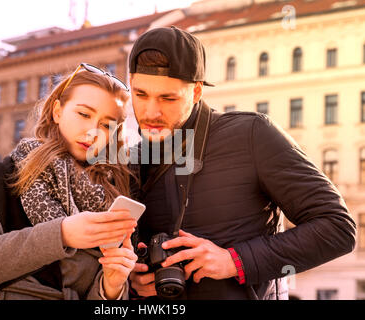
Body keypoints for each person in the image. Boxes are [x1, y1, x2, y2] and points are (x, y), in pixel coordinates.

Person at [127, 26, 356, 300]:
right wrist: (133, 281)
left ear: (197, 91)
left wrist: (234, 261)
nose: (151, 111)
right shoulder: (131, 160)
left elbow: (338, 228)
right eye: (140, 95)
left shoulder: (252, 133)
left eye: (168, 98)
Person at [0, 63, 138, 300]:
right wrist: (61, 234)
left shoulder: (113, 199)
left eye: (106, 125)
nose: (93, 131)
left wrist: (110, 287)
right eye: (84, 114)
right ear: (57, 111)